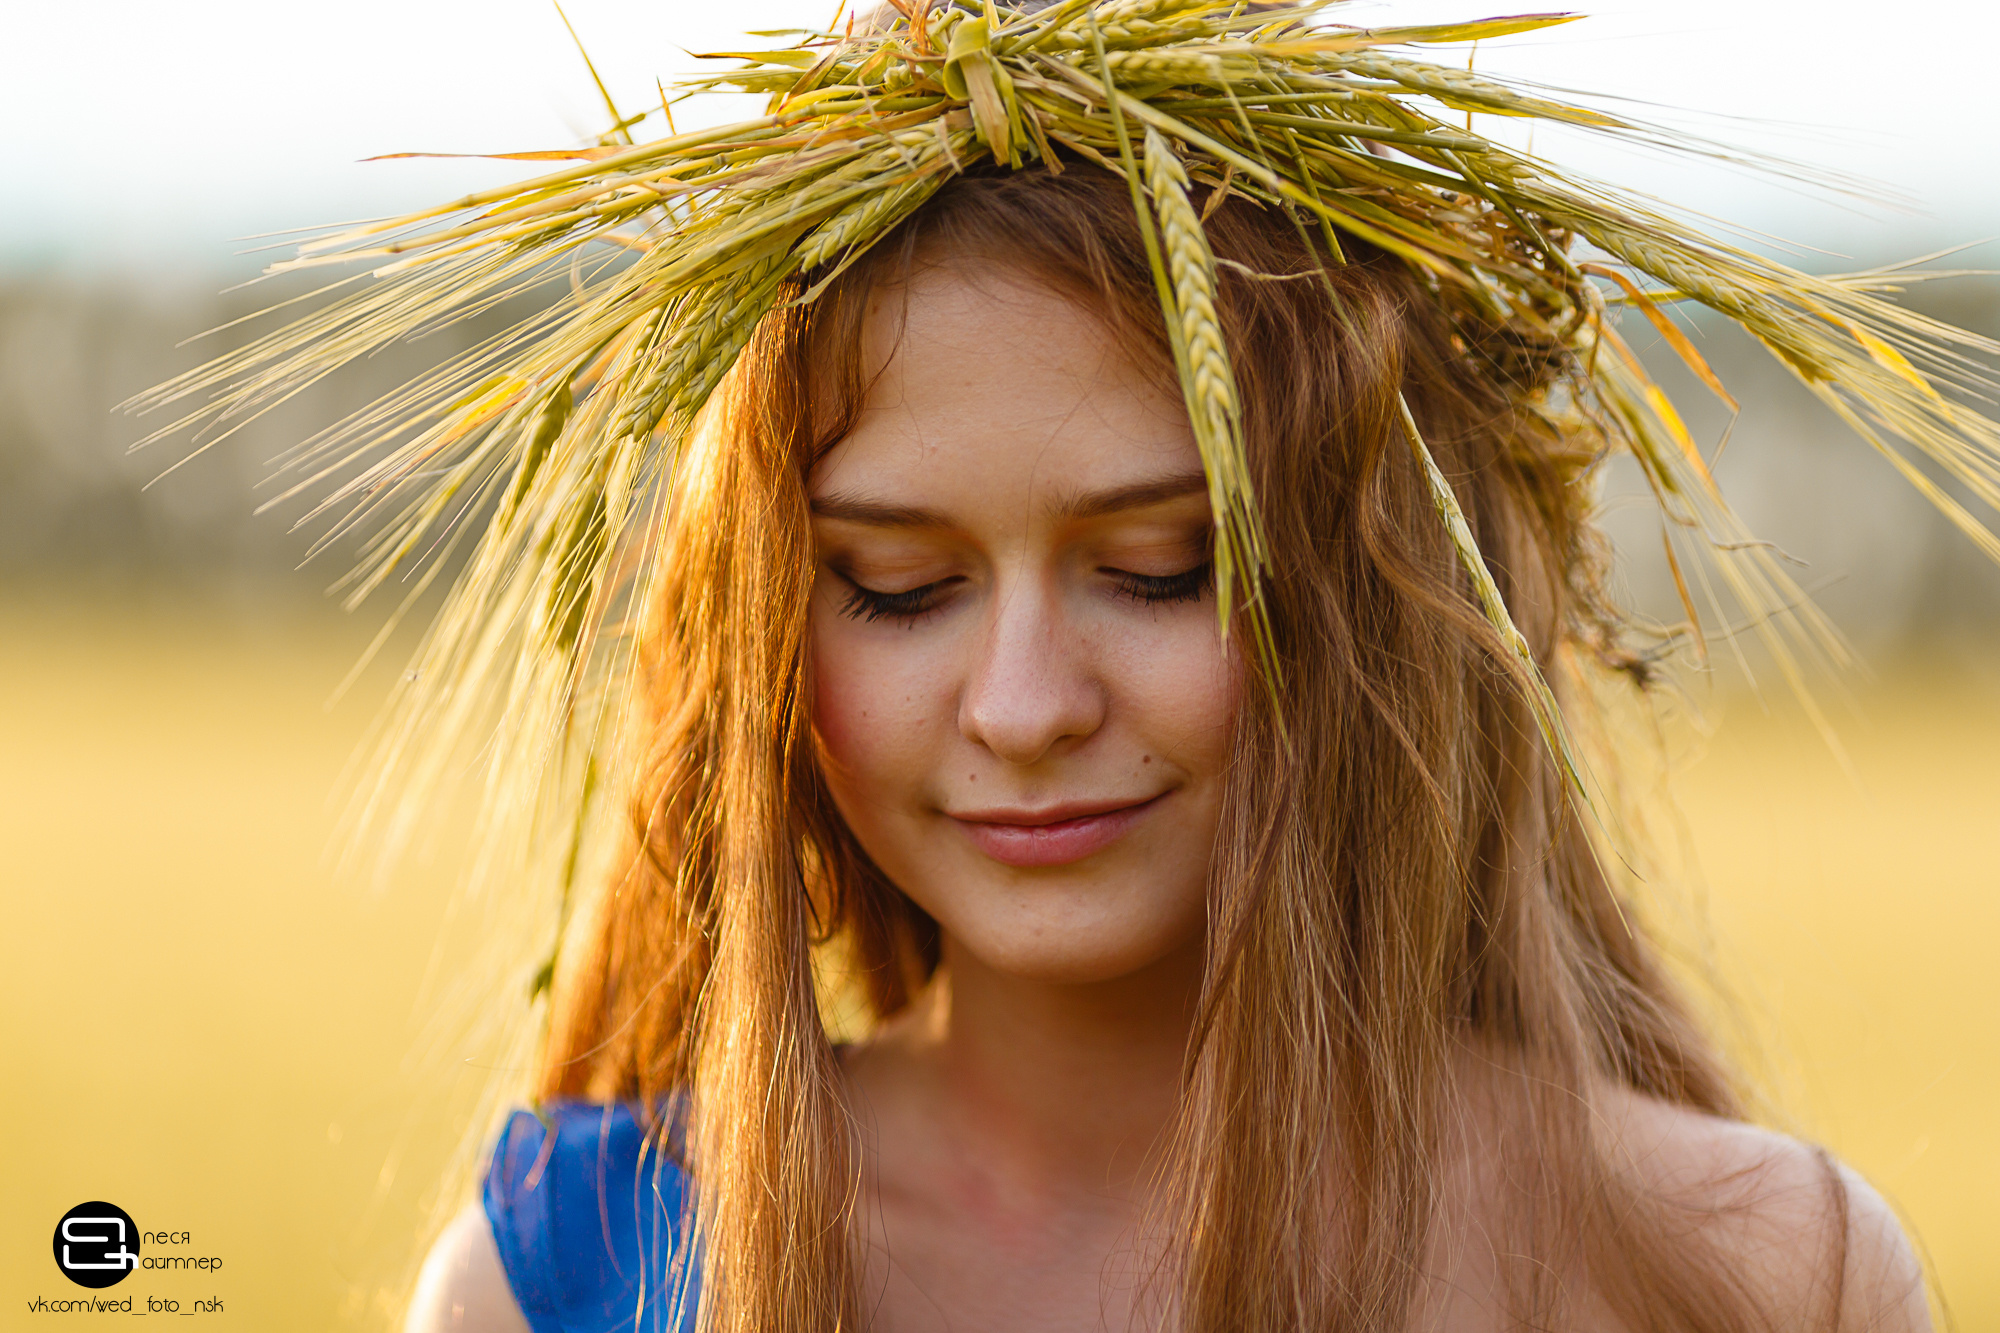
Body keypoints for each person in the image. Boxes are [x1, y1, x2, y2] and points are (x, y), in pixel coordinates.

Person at [141, 3, 1989, 1329]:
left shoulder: (1759, 1272)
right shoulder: (570, 1269)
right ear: (769, 640)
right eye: (893, 588)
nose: (1026, 705)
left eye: (1160, 566)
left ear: (1380, 604)